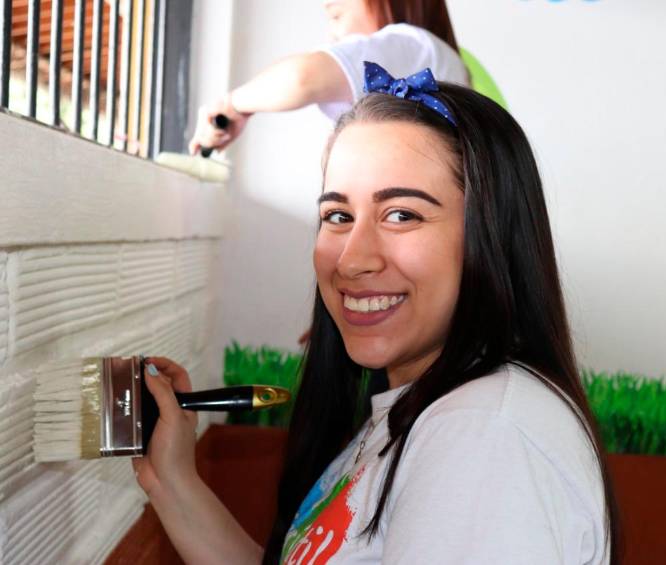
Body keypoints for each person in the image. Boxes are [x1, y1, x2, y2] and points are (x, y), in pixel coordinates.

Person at [137, 65, 619, 564]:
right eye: (338, 216)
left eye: (402, 215)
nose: (352, 258)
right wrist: (171, 479)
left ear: (491, 235)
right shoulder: (426, 408)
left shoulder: (484, 435)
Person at [188, 0, 469, 156]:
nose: (331, 36)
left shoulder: (413, 44)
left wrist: (232, 104)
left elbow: (302, 78)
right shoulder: (438, 59)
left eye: (336, 16)